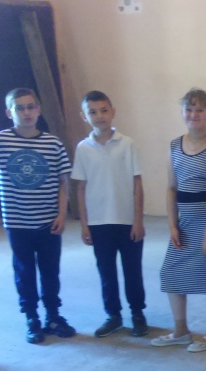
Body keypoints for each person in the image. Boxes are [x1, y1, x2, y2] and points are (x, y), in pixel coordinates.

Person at [0, 88, 74, 344]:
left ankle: (53, 315)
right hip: (17, 221)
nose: (26, 112)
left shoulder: (53, 143)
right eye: (19, 108)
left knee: (50, 271)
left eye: (31, 107)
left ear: (39, 110)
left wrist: (61, 214)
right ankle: (31, 317)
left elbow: (63, 181)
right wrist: (6, 178)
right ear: (9, 113)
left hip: (48, 220)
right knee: (24, 271)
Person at [151, 88, 206, 352]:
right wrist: (172, 224)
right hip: (186, 223)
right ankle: (181, 330)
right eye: (188, 109)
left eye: (199, 110)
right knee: (171, 272)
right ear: (182, 113)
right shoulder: (174, 147)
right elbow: (171, 188)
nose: (193, 114)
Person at [72, 90, 147, 338]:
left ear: (113, 112)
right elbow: (81, 188)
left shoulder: (128, 144)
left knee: (132, 270)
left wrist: (138, 220)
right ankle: (113, 315)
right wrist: (85, 224)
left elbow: (137, 184)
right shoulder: (83, 148)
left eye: (104, 110)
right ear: (84, 116)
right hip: (98, 222)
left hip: (127, 220)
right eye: (92, 112)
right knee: (106, 271)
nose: (99, 116)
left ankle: (137, 313)